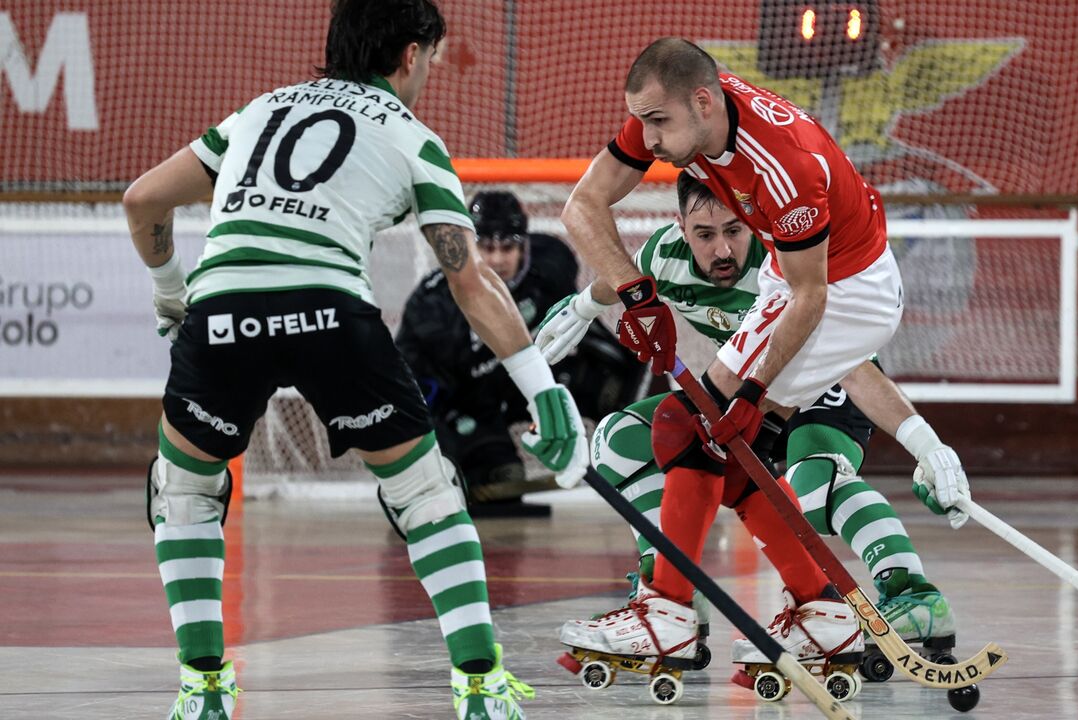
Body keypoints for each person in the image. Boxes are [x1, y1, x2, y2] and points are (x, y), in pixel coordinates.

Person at [122, 2, 586, 718]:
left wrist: (171, 294)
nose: (429, 71)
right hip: (330, 313)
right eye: (430, 58)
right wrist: (540, 385)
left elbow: (143, 198)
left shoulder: (257, 111)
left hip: (222, 315)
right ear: (409, 55)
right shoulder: (412, 137)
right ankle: (481, 685)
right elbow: (469, 279)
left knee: (182, 492)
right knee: (428, 495)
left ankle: (204, 687)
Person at [553, 38, 971, 673]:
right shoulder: (682, 115)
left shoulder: (785, 167)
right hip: (791, 280)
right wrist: (632, 295)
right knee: (723, 448)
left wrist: (752, 395)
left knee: (689, 428)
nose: (648, 138)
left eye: (657, 122)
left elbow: (813, 294)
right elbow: (580, 205)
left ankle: (667, 613)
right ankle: (823, 615)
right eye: (641, 119)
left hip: (846, 291)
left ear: (702, 101)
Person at [397, 191, 643, 506]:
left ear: (524, 244)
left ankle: (633, 452)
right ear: (469, 248)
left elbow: (585, 329)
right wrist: (441, 458)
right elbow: (415, 393)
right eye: (486, 247)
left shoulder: (551, 263)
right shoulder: (432, 308)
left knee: (616, 379)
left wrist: (626, 374)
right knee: (504, 478)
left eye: (507, 247)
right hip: (469, 402)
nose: (498, 260)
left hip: (523, 382)